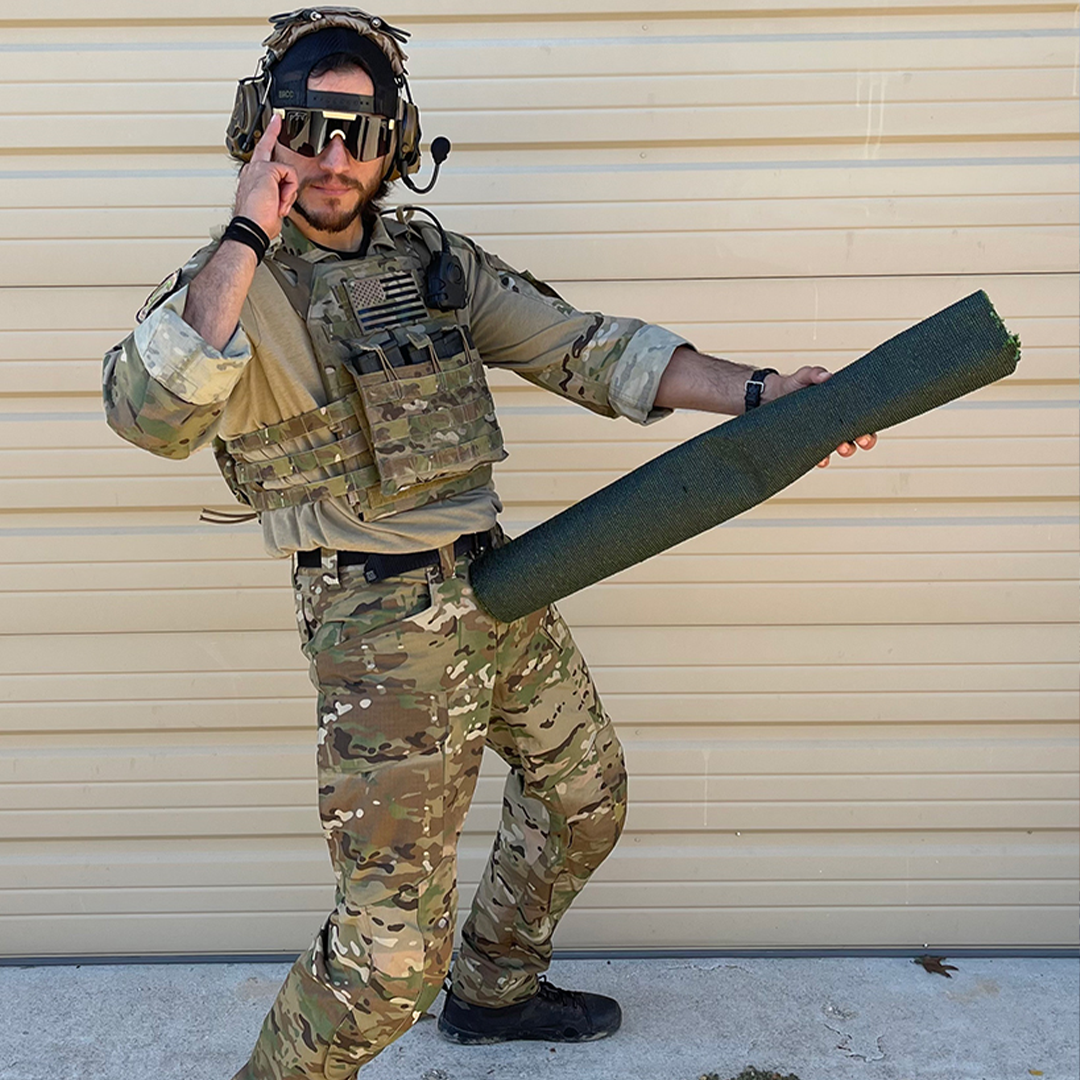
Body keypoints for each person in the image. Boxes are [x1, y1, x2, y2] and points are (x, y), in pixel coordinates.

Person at [102, 8, 877, 1079]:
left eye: (361, 133)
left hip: (498, 582)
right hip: (378, 633)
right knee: (385, 963)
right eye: (309, 126)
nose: (333, 158)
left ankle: (496, 991)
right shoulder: (230, 286)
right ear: (262, 130)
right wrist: (244, 232)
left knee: (585, 799)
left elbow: (589, 352)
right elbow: (150, 418)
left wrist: (759, 392)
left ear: (396, 146)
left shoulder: (434, 261)